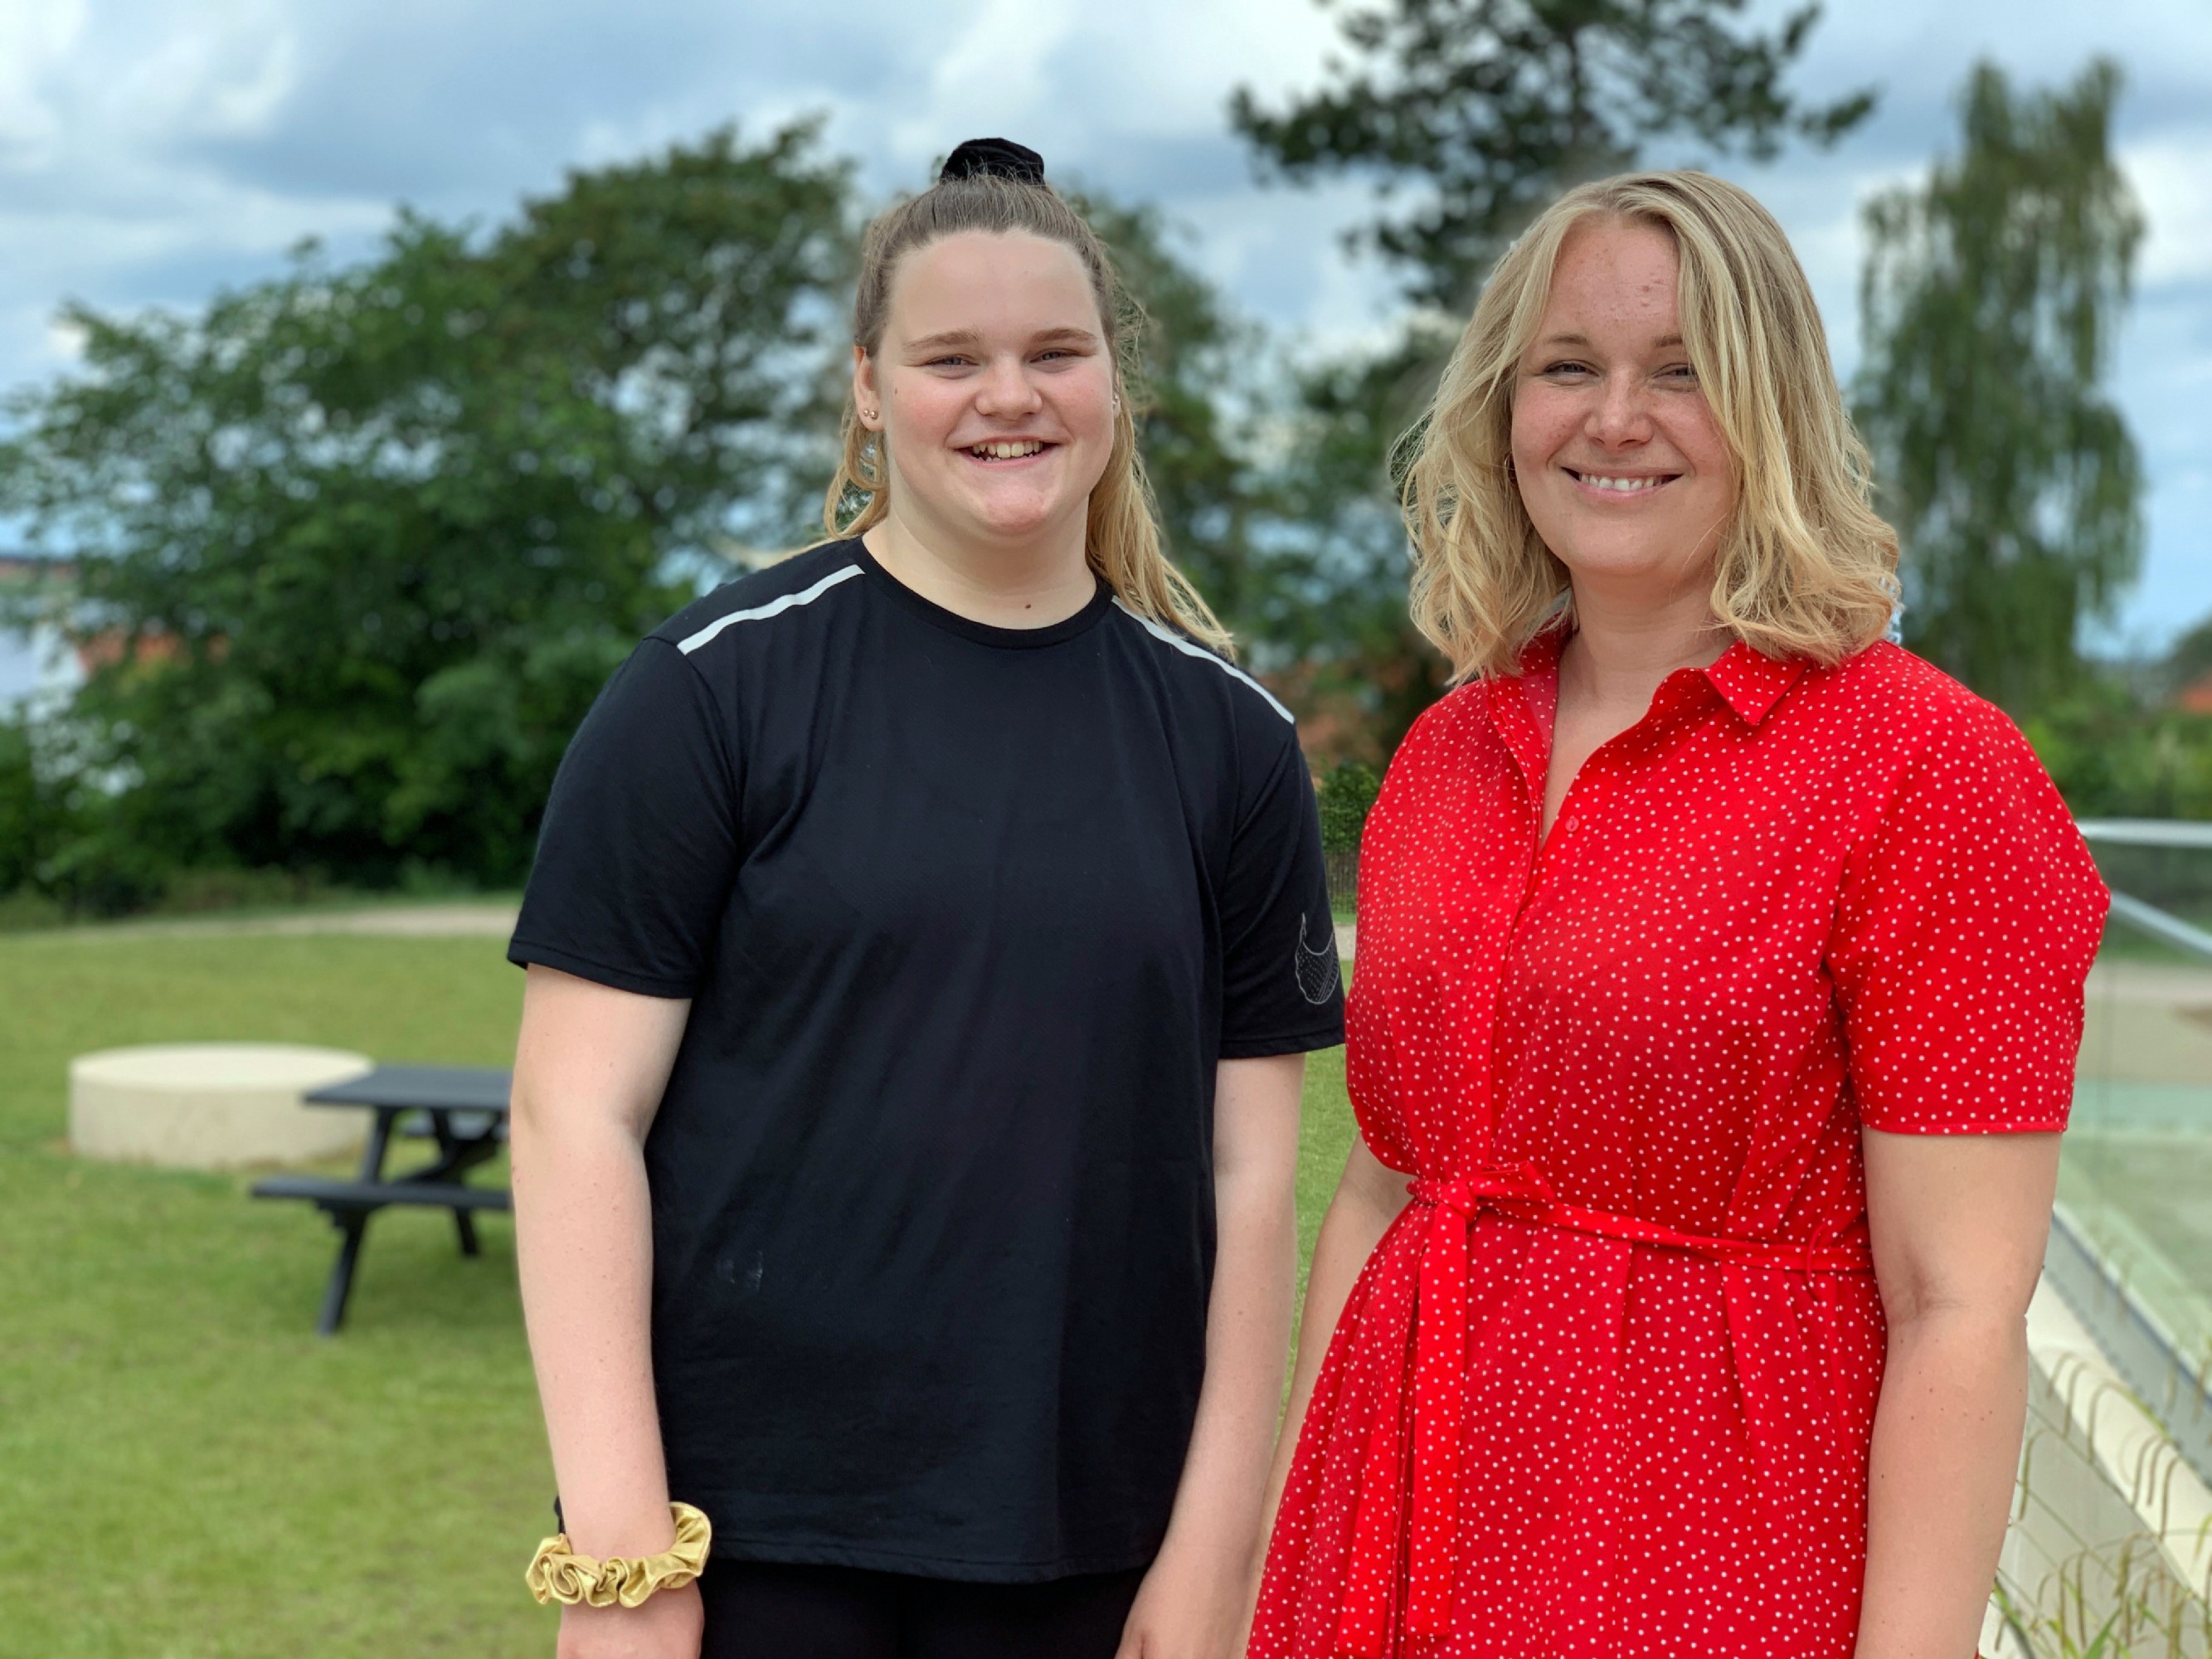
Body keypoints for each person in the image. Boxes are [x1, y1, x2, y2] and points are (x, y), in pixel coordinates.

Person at [1246, 171, 2108, 1659]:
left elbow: (1958, 1299)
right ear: (1503, 409)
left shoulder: (1928, 770)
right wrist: (1289, 1565)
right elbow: (1387, 1189)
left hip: (1709, 1565)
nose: (1613, 419)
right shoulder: (1452, 754)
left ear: (1773, 414)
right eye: (1568, 368)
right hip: (1390, 1542)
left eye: (1681, 375)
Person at [506, 138, 1343, 1659]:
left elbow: (1248, 1187)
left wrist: (1217, 1553)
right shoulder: (709, 694)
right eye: (951, 356)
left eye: (1053, 353)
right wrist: (627, 1564)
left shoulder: (1231, 745)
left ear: (1113, 387)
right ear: (870, 388)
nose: (1008, 396)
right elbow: (576, 1120)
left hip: (1094, 1548)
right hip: (756, 1546)